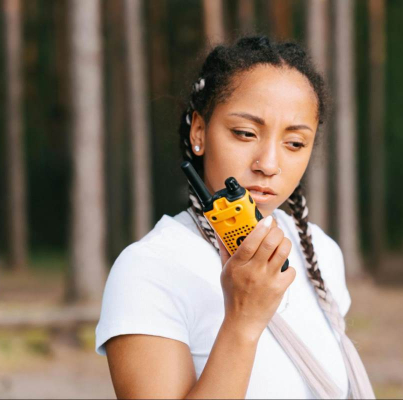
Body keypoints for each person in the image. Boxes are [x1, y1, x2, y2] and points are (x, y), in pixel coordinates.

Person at [95, 35, 374, 399]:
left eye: (294, 143)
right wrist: (242, 321)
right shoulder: (149, 270)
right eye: (245, 133)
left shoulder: (321, 251)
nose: (269, 165)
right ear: (199, 132)